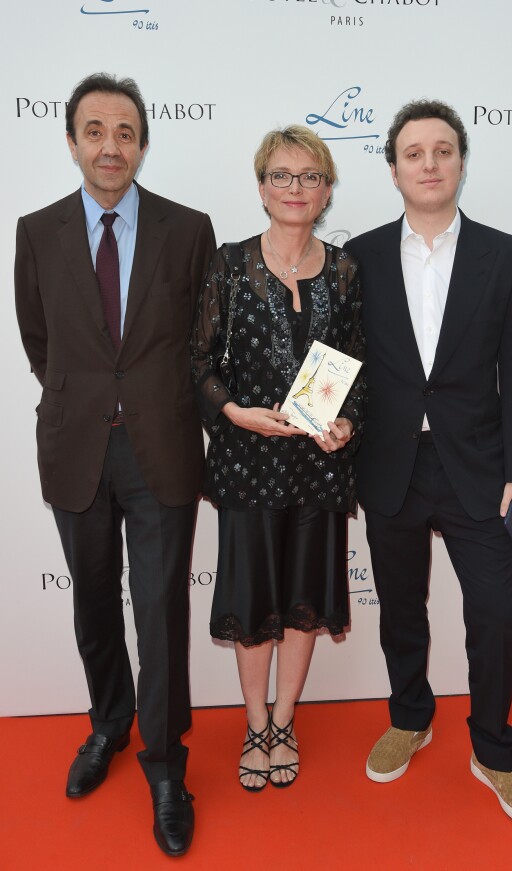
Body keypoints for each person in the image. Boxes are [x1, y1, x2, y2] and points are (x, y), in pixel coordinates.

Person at [15, 73, 215, 856]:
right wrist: (89, 399)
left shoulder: (187, 228)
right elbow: (41, 342)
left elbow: (199, 343)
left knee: (161, 614)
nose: (110, 145)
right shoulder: (36, 230)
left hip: (161, 447)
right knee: (93, 601)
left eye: (125, 131)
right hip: (76, 447)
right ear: (72, 141)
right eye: (94, 130)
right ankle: (109, 723)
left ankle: (166, 766)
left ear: (141, 143)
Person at [344, 99, 512, 828]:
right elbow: (340, 360)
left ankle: (494, 750)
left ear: (461, 161)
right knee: (401, 610)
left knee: (494, 616)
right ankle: (410, 715)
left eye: (442, 150)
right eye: (413, 153)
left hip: (483, 470)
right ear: (394, 167)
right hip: (390, 464)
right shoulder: (358, 257)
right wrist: (321, 426)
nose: (428, 164)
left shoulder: (509, 255)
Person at [192, 125, 364, 791]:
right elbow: (198, 362)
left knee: (301, 603)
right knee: (253, 601)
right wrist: (234, 412)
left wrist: (345, 421)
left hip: (318, 468)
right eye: (282, 175)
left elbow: (358, 368)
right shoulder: (230, 263)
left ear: (326, 189)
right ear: (262, 186)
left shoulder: (347, 271)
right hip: (247, 464)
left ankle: (285, 721)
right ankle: (255, 720)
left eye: (309, 176)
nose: (296, 188)